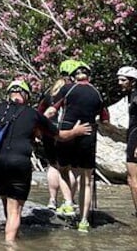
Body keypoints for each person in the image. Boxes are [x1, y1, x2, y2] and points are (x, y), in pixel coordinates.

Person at [0, 80, 91, 244]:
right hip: (19, 163)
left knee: (6, 200)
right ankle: (9, 245)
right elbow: (60, 136)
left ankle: (11, 231)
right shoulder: (33, 114)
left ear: (9, 94)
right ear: (25, 94)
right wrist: (76, 131)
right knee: (15, 209)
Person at [45, 61, 109, 233]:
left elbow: (51, 111)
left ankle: (68, 203)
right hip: (89, 135)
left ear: (73, 77)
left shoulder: (68, 89)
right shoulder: (97, 93)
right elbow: (105, 119)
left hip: (67, 132)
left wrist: (39, 123)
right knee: (87, 181)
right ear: (89, 77)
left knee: (63, 169)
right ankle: (84, 222)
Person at [36, 60, 77, 210]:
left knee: (53, 166)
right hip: (69, 132)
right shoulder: (74, 90)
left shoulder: (50, 91)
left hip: (49, 132)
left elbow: (39, 112)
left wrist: (38, 130)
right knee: (69, 168)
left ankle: (52, 200)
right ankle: (70, 201)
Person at [116, 65, 137, 217]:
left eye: (123, 80)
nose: (119, 83)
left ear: (133, 81)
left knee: (133, 179)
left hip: (135, 138)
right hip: (132, 136)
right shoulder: (132, 95)